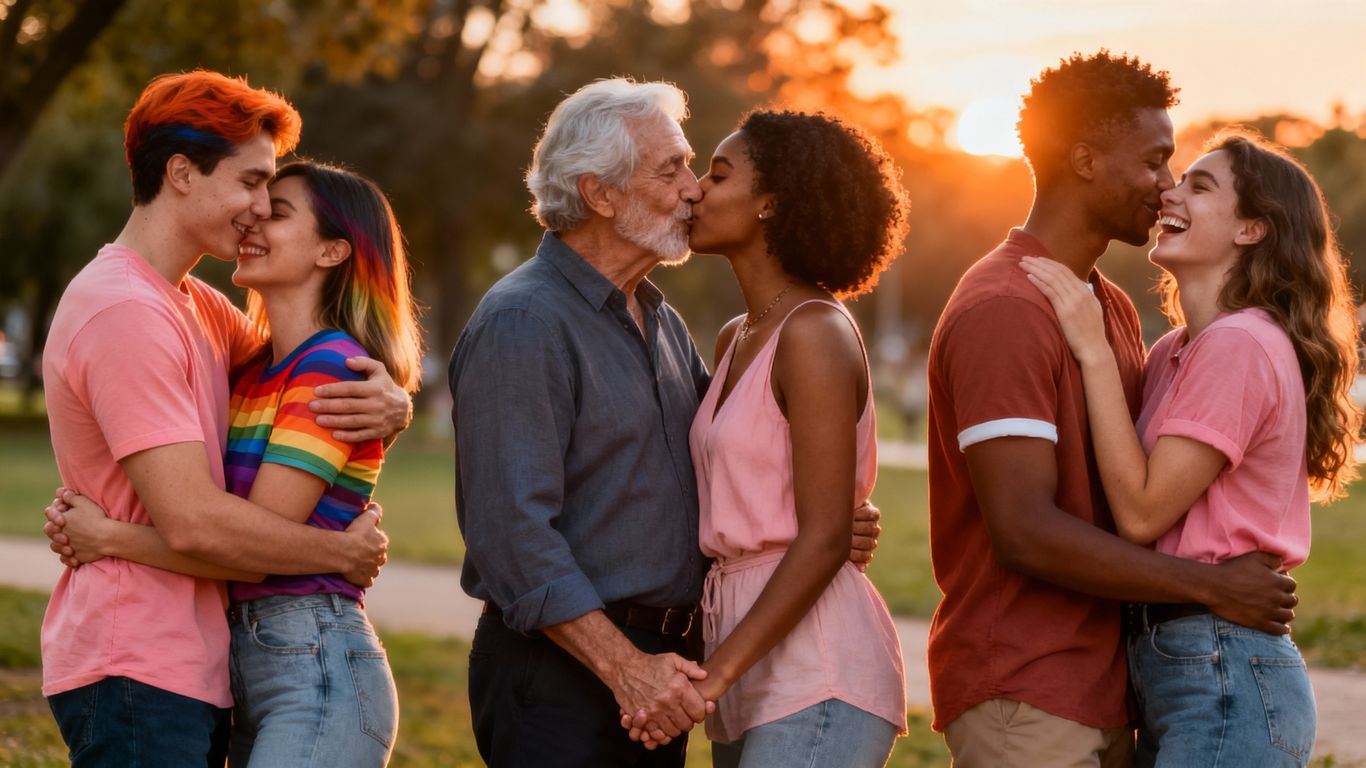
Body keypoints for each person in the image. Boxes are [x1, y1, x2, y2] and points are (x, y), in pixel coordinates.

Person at [448, 78, 880, 768]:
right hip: (566, 673)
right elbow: (511, 534)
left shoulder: (663, 322)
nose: (692, 190)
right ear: (601, 194)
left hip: (666, 671)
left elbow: (734, 461)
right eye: (672, 168)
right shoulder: (525, 321)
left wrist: (829, 522)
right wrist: (626, 668)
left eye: (700, 169)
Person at [925, 51, 1299, 767]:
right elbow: (1024, 532)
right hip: (1024, 685)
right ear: (1086, 160)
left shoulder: (1111, 308)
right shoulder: (1005, 308)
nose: (1167, 186)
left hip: (1110, 686)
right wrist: (1213, 587)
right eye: (1155, 161)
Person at [38, 71, 409, 766]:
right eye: (251, 182)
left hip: (202, 663)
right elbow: (195, 523)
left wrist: (392, 400)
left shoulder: (198, 307)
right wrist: (340, 554)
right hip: (137, 656)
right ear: (182, 173)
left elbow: (305, 369)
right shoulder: (125, 310)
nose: (259, 206)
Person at [1021, 130, 1360, 767]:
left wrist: (1094, 349)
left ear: (1251, 230)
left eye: (1199, 187)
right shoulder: (1174, 351)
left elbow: (1142, 512)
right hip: (1178, 662)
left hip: (1224, 665)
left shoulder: (1241, 344)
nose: (1169, 194)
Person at [679, 110, 908, 766]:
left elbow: (825, 537)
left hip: (819, 669)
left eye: (718, 175)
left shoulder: (814, 333)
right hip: (745, 668)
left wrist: (713, 677)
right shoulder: (736, 336)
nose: (695, 189)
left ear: (771, 203)